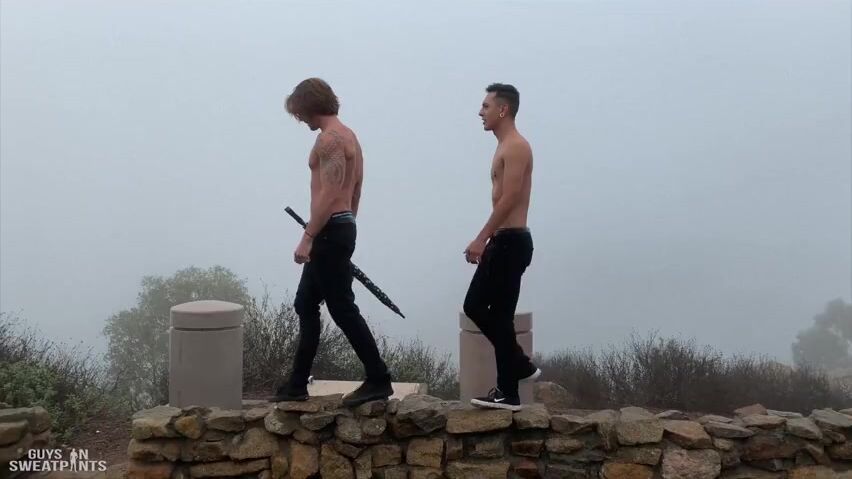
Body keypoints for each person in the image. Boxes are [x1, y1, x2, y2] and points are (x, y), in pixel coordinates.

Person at [273, 78, 393, 407]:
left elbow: (330, 192)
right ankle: (297, 383)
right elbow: (356, 188)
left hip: (328, 230)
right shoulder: (349, 135)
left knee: (341, 307)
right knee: (305, 303)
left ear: (308, 105)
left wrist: (309, 237)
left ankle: (379, 377)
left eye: (299, 113)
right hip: (339, 226)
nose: (300, 120)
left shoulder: (330, 139)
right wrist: (348, 222)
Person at [464, 83, 540, 411]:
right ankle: (508, 392)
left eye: (486, 106)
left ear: (503, 109)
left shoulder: (517, 146)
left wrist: (481, 238)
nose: (480, 112)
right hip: (506, 240)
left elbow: (510, 198)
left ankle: (519, 364)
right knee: (501, 317)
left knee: (475, 306)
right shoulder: (503, 147)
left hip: (510, 242)